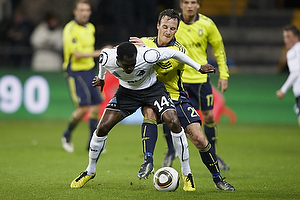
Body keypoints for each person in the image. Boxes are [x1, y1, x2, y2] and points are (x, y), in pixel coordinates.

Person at [69, 42, 217, 189]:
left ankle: (187, 174)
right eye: (127, 65)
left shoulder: (147, 55)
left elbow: (174, 53)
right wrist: (101, 78)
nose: (131, 68)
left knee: (173, 122)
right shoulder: (107, 57)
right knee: (102, 127)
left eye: (133, 64)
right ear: (117, 59)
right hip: (127, 93)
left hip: (153, 90)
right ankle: (90, 171)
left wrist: (199, 67)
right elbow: (102, 62)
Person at [130, 9, 235, 191]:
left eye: (172, 28)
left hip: (177, 99)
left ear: (176, 30)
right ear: (158, 26)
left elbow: (160, 63)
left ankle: (218, 180)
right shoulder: (144, 42)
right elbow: (124, 55)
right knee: (149, 112)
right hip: (154, 98)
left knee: (200, 140)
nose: (168, 31)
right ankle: (148, 161)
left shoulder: (178, 51)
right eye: (165, 27)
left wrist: (144, 50)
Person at [175, 0, 230, 170]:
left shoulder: (207, 24)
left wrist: (224, 74)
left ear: (198, 5)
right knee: (172, 118)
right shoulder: (173, 23)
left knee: (209, 117)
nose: (190, 5)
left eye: (193, 2)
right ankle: (171, 153)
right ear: (181, 4)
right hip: (179, 79)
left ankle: (213, 155)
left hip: (201, 80)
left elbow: (219, 48)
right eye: (186, 2)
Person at [61, 0, 107, 153]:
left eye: (87, 10)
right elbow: (77, 54)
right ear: (75, 12)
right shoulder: (70, 29)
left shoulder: (91, 28)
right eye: (81, 10)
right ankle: (67, 134)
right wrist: (99, 52)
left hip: (89, 70)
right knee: (84, 107)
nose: (85, 13)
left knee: (96, 105)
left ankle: (91, 143)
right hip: (75, 71)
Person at [276, 25, 300, 127]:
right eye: (284, 37)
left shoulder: (293, 52)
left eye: (288, 36)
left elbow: (296, 72)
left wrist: (283, 89)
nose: (286, 40)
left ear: (296, 37)